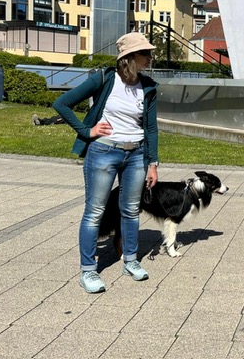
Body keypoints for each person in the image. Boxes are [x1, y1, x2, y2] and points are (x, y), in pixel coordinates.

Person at [53, 32, 159, 293]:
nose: (150, 57)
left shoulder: (148, 86)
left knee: (131, 211)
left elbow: (151, 128)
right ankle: (88, 271)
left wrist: (153, 163)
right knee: (95, 212)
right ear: (129, 56)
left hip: (136, 154)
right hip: (103, 152)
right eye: (145, 53)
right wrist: (86, 131)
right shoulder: (105, 79)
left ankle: (130, 261)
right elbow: (62, 103)